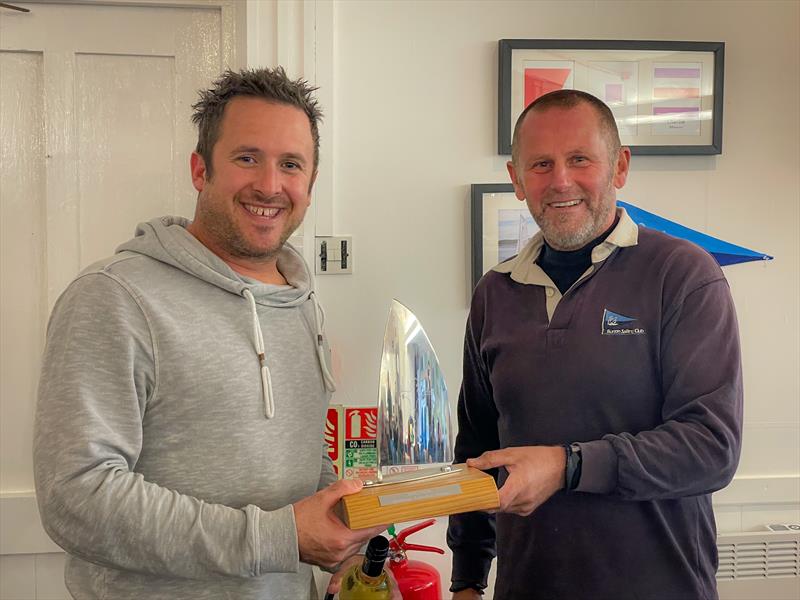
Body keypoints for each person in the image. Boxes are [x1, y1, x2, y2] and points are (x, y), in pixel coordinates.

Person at [34, 67, 384, 600]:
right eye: (247, 158)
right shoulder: (114, 297)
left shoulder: (301, 304)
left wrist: (346, 532)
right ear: (201, 170)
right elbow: (77, 497)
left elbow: (302, 456)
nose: (270, 185)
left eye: (291, 165)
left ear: (310, 184)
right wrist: (279, 536)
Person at [447, 89, 743, 600]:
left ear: (620, 166)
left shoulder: (684, 274)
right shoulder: (495, 292)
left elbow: (711, 448)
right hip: (527, 586)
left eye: (580, 159)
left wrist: (567, 466)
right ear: (517, 180)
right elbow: (476, 447)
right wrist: (468, 578)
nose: (561, 180)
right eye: (541, 164)